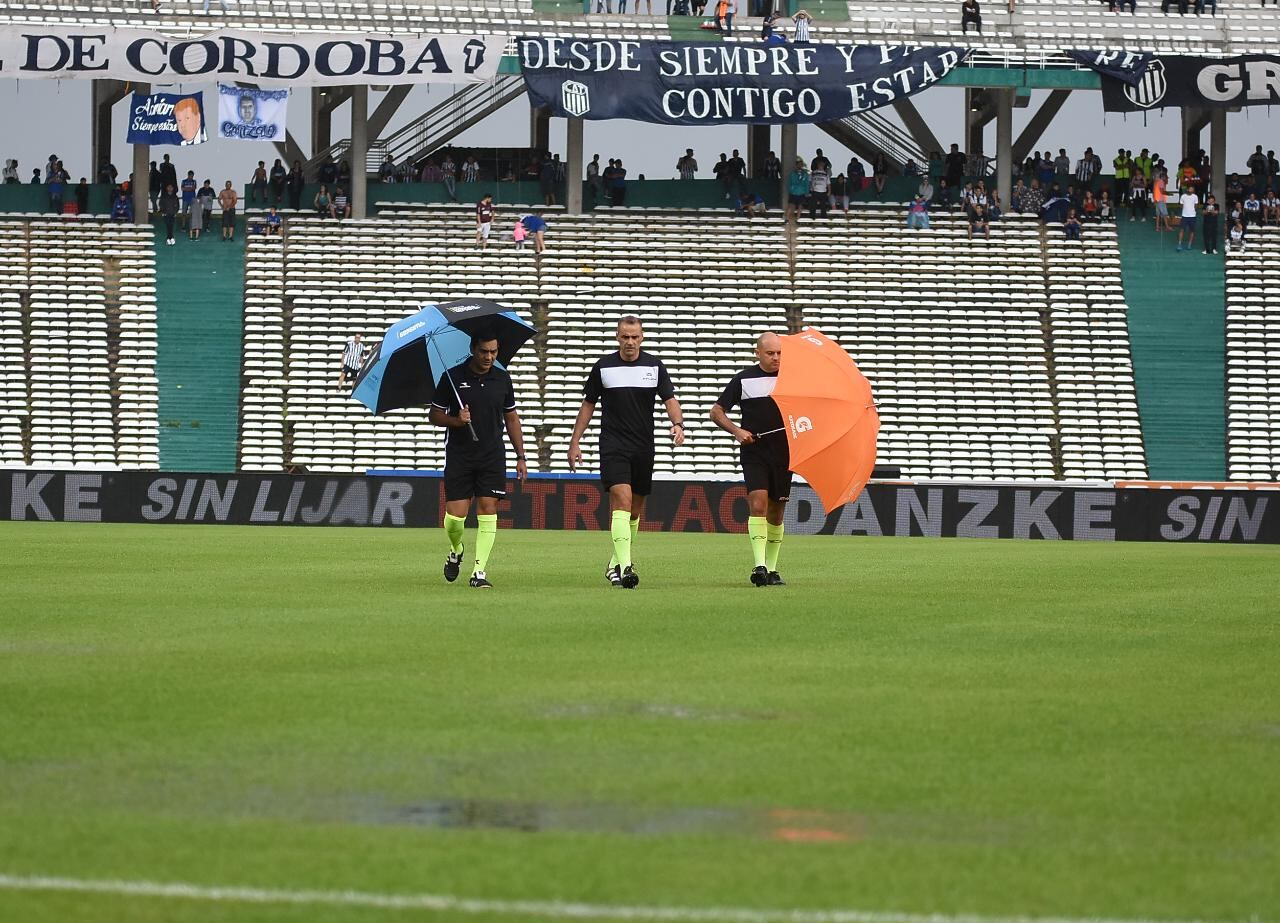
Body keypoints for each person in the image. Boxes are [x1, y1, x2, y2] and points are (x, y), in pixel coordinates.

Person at [569, 316, 684, 589]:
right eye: (625, 336)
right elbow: (588, 405)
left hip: (643, 446)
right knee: (621, 500)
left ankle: (614, 563)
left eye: (634, 337)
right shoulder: (603, 367)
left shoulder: (655, 367)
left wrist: (677, 424)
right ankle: (625, 567)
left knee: (634, 511)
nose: (630, 342)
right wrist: (575, 441)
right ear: (617, 337)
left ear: (641, 337)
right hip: (613, 445)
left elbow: (670, 399)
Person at [429, 334, 527, 590]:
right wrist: (457, 421)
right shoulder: (452, 377)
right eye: (484, 352)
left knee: (488, 509)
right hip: (460, 455)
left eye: (494, 352)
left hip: (492, 455)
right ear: (473, 350)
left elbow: (512, 418)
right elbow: (435, 415)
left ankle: (479, 571)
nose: (489, 357)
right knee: (455, 518)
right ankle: (455, 549)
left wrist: (521, 456)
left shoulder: (502, 378)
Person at [710, 332, 790, 587]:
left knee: (777, 512)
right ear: (757, 353)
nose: (776, 357)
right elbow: (716, 411)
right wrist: (737, 431)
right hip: (754, 452)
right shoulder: (743, 379)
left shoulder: (793, 380)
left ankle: (774, 568)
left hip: (785, 453)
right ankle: (759, 566)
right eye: (770, 353)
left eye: (779, 352)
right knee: (758, 504)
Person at [1176, 186, 1199, 251]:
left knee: (1192, 231)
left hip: (1192, 216)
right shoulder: (1183, 196)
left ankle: (1189, 244)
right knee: (1181, 230)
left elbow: (1196, 206)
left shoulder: (1195, 196)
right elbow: (1181, 205)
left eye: (1192, 189)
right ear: (1187, 189)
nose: (1191, 190)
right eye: (1190, 189)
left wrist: (1192, 210)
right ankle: (1179, 244)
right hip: (1184, 216)